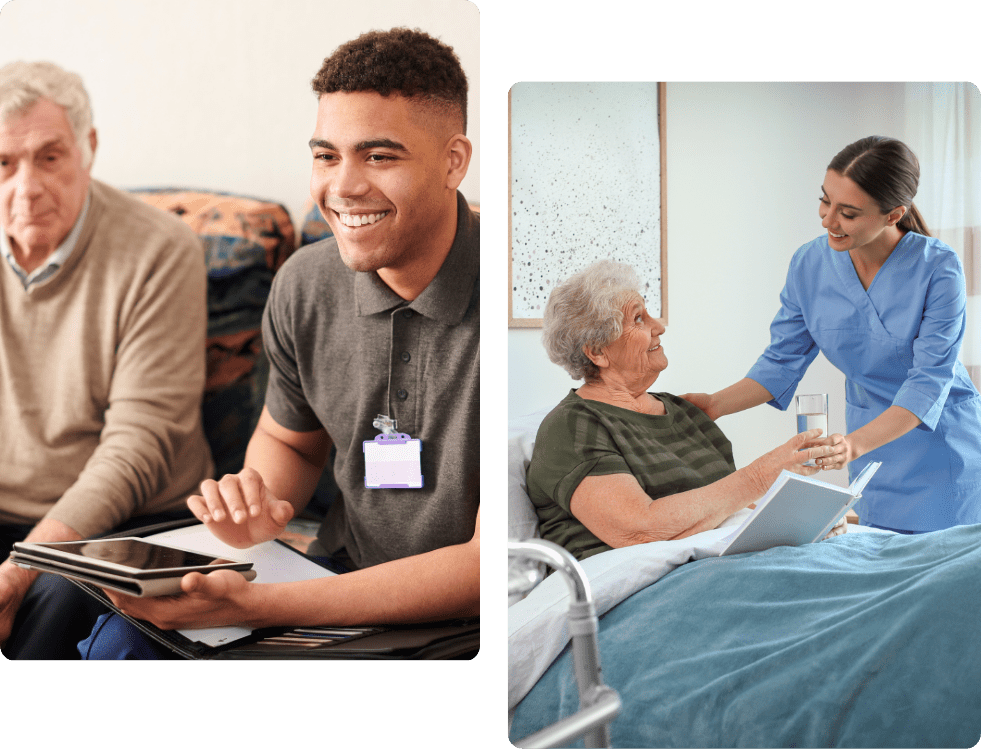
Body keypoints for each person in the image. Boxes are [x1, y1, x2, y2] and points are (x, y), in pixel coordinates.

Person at [79, 27, 479, 658]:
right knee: (121, 640)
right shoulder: (304, 283)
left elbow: (484, 568)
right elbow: (289, 438)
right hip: (338, 574)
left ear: (454, 161)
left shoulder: (511, 306)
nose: (342, 187)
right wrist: (262, 502)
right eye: (326, 156)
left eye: (380, 157)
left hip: (470, 618)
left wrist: (260, 603)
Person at [0, 61, 212, 659]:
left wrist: (22, 568)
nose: (26, 188)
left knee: (50, 625)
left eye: (49, 156)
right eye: (3, 164)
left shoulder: (160, 250)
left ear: (88, 148)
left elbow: (138, 447)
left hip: (128, 520)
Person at [683, 136, 981, 535]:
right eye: (825, 201)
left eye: (848, 213)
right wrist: (714, 405)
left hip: (941, 446)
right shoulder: (809, 264)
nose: (827, 220)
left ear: (893, 214)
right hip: (870, 448)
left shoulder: (938, 268)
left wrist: (852, 445)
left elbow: (928, 382)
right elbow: (780, 362)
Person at [525, 260, 840, 562]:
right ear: (597, 352)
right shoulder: (572, 426)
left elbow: (726, 510)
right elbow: (640, 529)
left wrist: (802, 525)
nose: (658, 327)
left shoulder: (684, 412)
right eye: (638, 319)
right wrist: (760, 476)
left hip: (724, 566)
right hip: (649, 592)